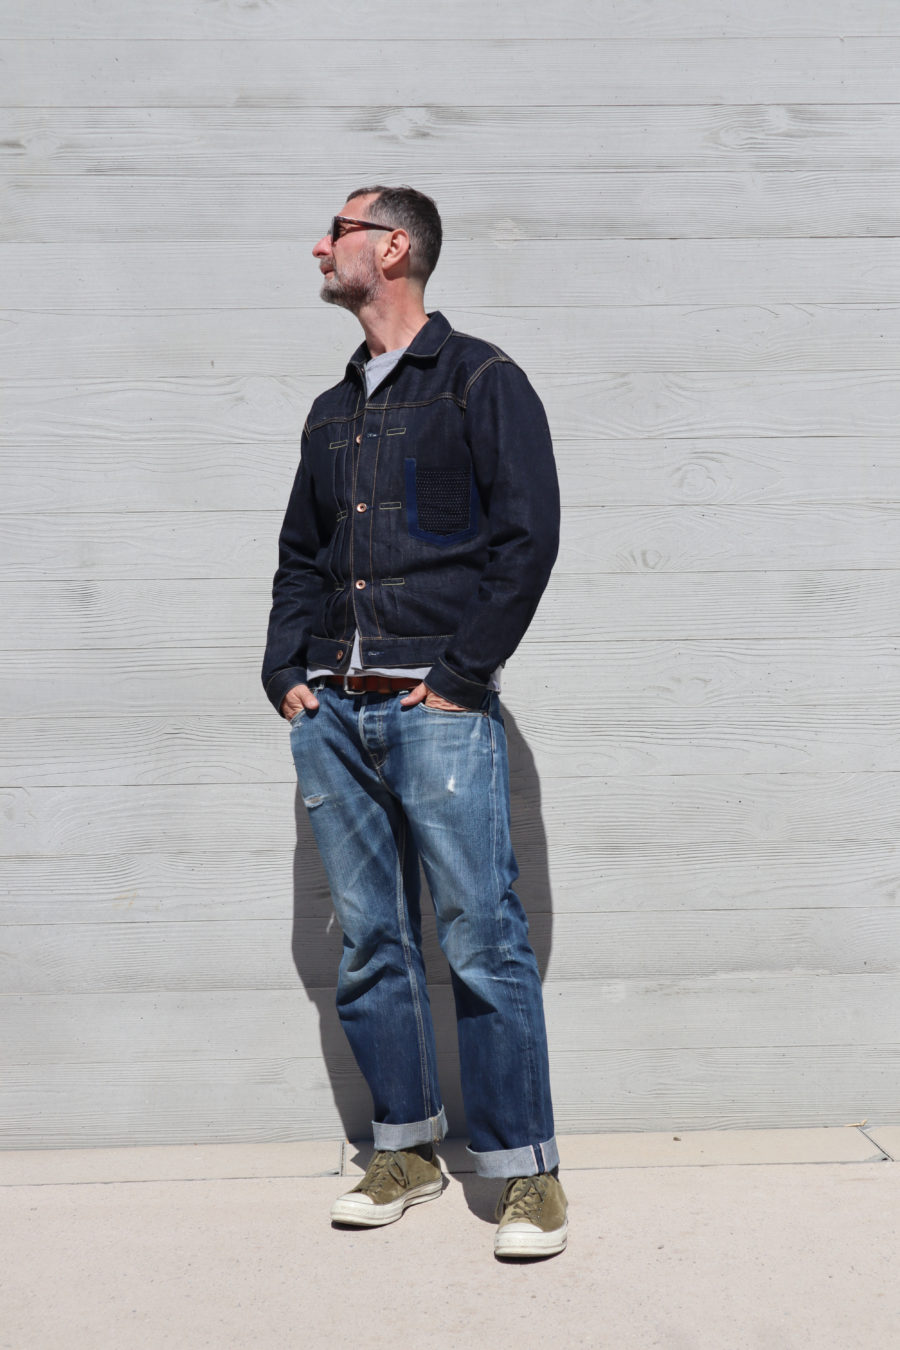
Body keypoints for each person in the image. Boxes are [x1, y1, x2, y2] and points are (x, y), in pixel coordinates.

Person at [262, 185, 567, 1258]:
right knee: (370, 939)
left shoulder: (481, 379)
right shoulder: (331, 410)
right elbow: (301, 555)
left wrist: (461, 676)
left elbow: (527, 537)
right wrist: (285, 672)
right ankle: (405, 1150)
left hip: (435, 710)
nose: (319, 245)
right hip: (332, 710)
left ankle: (524, 1173)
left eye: (337, 231)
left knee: (482, 936)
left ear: (393, 247)